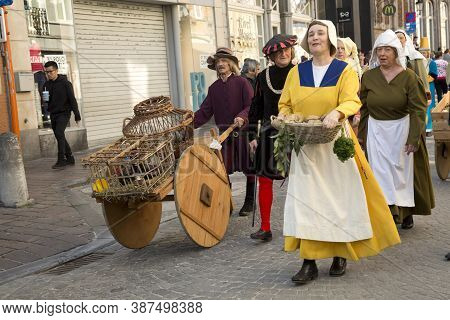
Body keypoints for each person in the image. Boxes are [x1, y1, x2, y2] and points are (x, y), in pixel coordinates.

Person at [279, 20, 400, 284]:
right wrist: (285, 119)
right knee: (306, 202)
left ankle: (340, 253)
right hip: (306, 145)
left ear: (331, 38)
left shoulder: (343, 70)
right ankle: (308, 262)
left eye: (320, 33)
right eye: (311, 34)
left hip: (336, 145)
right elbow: (285, 103)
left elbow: (351, 99)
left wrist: (337, 112)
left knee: (338, 201)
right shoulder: (296, 72)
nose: (314, 37)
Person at [358, 30, 435, 230]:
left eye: (387, 50)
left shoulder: (409, 77)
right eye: (379, 50)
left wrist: (413, 137)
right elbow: (364, 107)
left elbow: (418, 109)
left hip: (402, 128)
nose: (383, 54)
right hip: (376, 130)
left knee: (402, 173)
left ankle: (406, 212)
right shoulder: (368, 77)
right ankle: (388, 214)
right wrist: (362, 135)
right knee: (380, 173)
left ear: (396, 52)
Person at [194, 47, 256, 216]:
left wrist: (243, 116)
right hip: (224, 136)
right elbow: (204, 112)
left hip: (243, 132)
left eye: (223, 61)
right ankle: (226, 201)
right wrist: (187, 123)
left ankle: (250, 201)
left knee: (249, 167)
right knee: (222, 168)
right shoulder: (214, 88)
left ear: (231, 64)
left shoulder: (242, 82)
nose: (220, 64)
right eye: (218, 62)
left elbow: (251, 105)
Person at [247, 34, 298, 241]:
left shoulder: (301, 73)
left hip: (297, 132)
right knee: (265, 179)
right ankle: (265, 228)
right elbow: (255, 107)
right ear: (271, 55)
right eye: (278, 52)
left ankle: (299, 227)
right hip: (268, 134)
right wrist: (252, 135)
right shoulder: (262, 77)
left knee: (299, 181)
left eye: (286, 50)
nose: (283, 54)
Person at [43, 61, 81, 169]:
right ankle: (70, 158)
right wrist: (45, 99)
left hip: (64, 113)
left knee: (59, 132)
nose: (48, 74)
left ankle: (61, 160)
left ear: (56, 71)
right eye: (46, 72)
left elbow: (72, 100)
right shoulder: (46, 85)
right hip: (53, 113)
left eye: (50, 71)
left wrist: (77, 115)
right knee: (59, 135)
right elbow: (46, 101)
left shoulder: (65, 83)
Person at [395, 30, 430, 96]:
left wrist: (426, 94)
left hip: (412, 93)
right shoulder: (390, 56)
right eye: (396, 38)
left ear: (406, 40)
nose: (399, 40)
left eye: (401, 38)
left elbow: (422, 77)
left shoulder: (415, 57)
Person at [419, 38, 438, 135]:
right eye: (421, 53)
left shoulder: (432, 63)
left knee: (429, 106)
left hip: (429, 86)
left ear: (428, 53)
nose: (423, 54)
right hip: (420, 87)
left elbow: (434, 75)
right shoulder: (418, 62)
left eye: (425, 53)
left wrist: (423, 79)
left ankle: (429, 128)